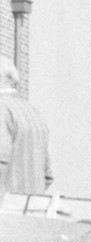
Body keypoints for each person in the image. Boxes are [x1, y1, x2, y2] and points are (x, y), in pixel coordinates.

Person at [0, 60, 52, 195]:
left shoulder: (2, 109)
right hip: (31, 207)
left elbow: (1, 159)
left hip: (5, 208)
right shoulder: (33, 112)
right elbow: (47, 176)